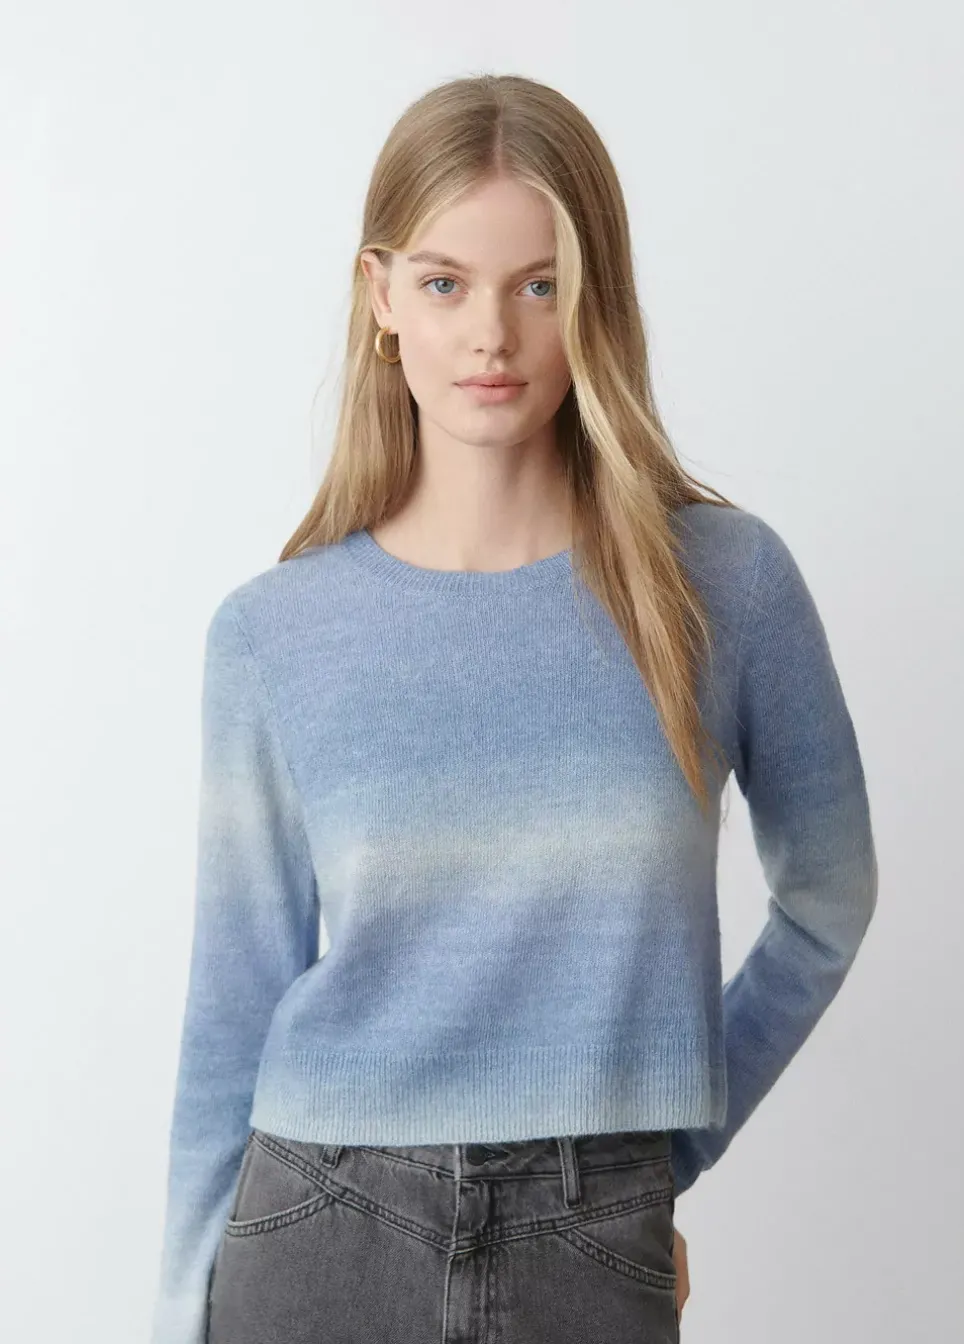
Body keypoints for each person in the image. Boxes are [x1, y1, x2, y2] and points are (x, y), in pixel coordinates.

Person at [149, 72, 878, 1344]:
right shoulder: (273, 634)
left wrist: (658, 1152)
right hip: (314, 1227)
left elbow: (829, 896)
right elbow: (232, 1004)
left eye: (539, 286)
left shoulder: (724, 586)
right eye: (445, 284)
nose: (491, 335)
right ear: (380, 296)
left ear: (598, 298)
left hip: (590, 1234)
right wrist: (176, 1315)